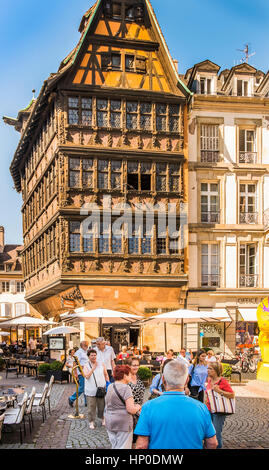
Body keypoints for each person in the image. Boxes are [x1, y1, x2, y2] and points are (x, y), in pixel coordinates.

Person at [135, 360, 217, 449]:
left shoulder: (148, 407)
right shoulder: (201, 408)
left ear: (163, 379)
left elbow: (141, 445)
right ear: (187, 380)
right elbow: (212, 443)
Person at [105, 365, 141, 449]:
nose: (131, 376)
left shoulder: (110, 386)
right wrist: (138, 406)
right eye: (129, 374)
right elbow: (131, 409)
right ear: (125, 376)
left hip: (110, 421)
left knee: (115, 446)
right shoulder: (126, 388)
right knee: (123, 447)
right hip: (123, 423)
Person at [206, 362, 235, 449]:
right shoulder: (210, 380)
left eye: (210, 369)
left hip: (219, 411)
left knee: (216, 433)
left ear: (216, 371)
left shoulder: (222, 381)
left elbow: (232, 395)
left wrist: (219, 391)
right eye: (208, 368)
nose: (208, 370)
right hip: (209, 410)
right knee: (209, 432)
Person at [83, 349, 109, 429]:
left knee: (102, 405)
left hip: (101, 389)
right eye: (92, 355)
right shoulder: (86, 365)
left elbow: (105, 374)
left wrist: (108, 384)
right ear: (88, 356)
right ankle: (91, 421)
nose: (93, 357)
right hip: (90, 390)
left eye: (95, 355)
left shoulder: (101, 364)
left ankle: (103, 419)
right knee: (91, 407)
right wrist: (93, 368)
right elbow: (86, 376)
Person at [127, 357, 145, 445]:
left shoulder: (137, 376)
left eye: (137, 365)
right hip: (130, 412)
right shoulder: (125, 378)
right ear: (128, 366)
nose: (136, 367)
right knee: (130, 438)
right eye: (134, 365)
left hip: (139, 411)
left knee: (137, 437)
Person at [68, 341, 89, 408]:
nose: (87, 346)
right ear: (81, 346)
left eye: (87, 345)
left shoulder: (86, 352)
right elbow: (75, 363)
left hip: (86, 372)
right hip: (81, 372)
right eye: (85, 345)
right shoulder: (79, 352)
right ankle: (71, 398)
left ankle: (86, 402)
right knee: (82, 388)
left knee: (86, 388)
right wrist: (75, 373)